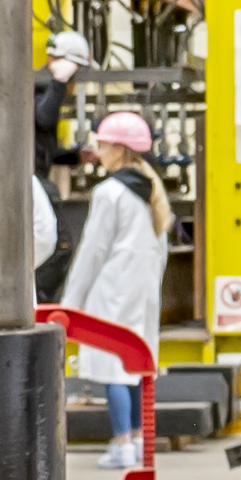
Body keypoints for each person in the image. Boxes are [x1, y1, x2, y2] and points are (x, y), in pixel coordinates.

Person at [62, 105, 171, 355]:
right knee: (136, 365)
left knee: (111, 368)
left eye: (102, 146)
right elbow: (161, 254)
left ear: (119, 149)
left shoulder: (109, 193)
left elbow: (92, 253)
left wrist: (70, 308)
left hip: (110, 305)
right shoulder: (153, 193)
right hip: (142, 301)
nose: (98, 153)